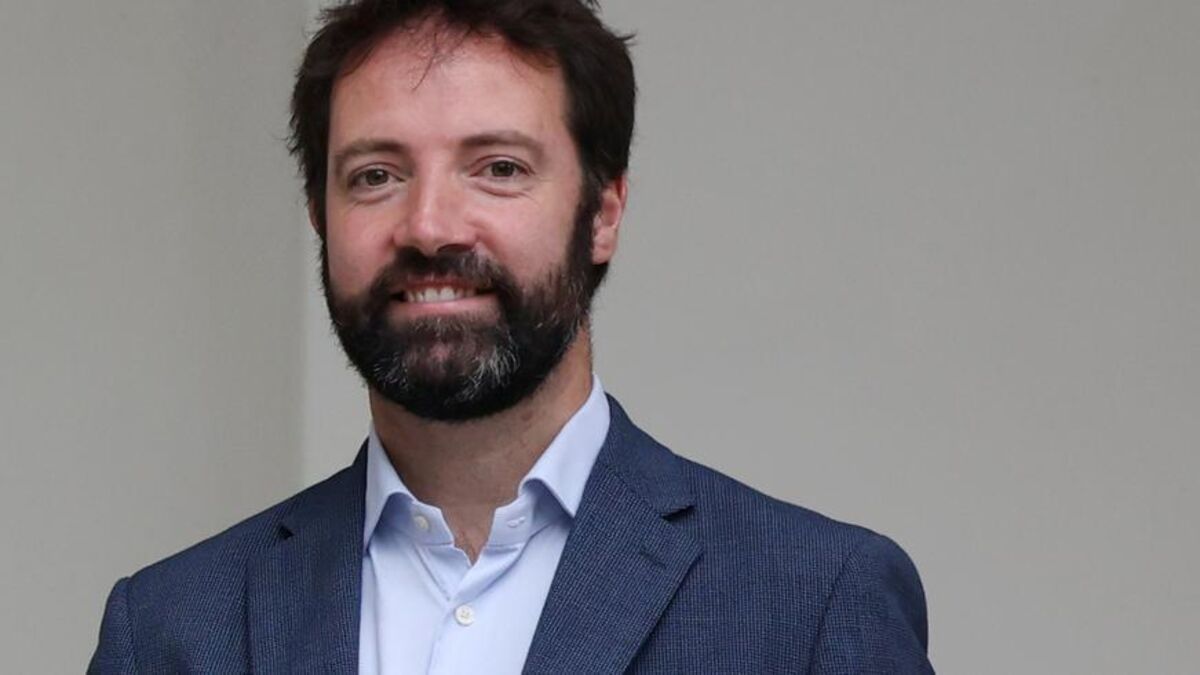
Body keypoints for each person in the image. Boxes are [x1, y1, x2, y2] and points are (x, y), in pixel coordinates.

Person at [89, 0, 932, 672]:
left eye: (498, 168)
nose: (429, 225)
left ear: (603, 213)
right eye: (376, 175)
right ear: (320, 215)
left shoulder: (815, 606)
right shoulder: (167, 630)